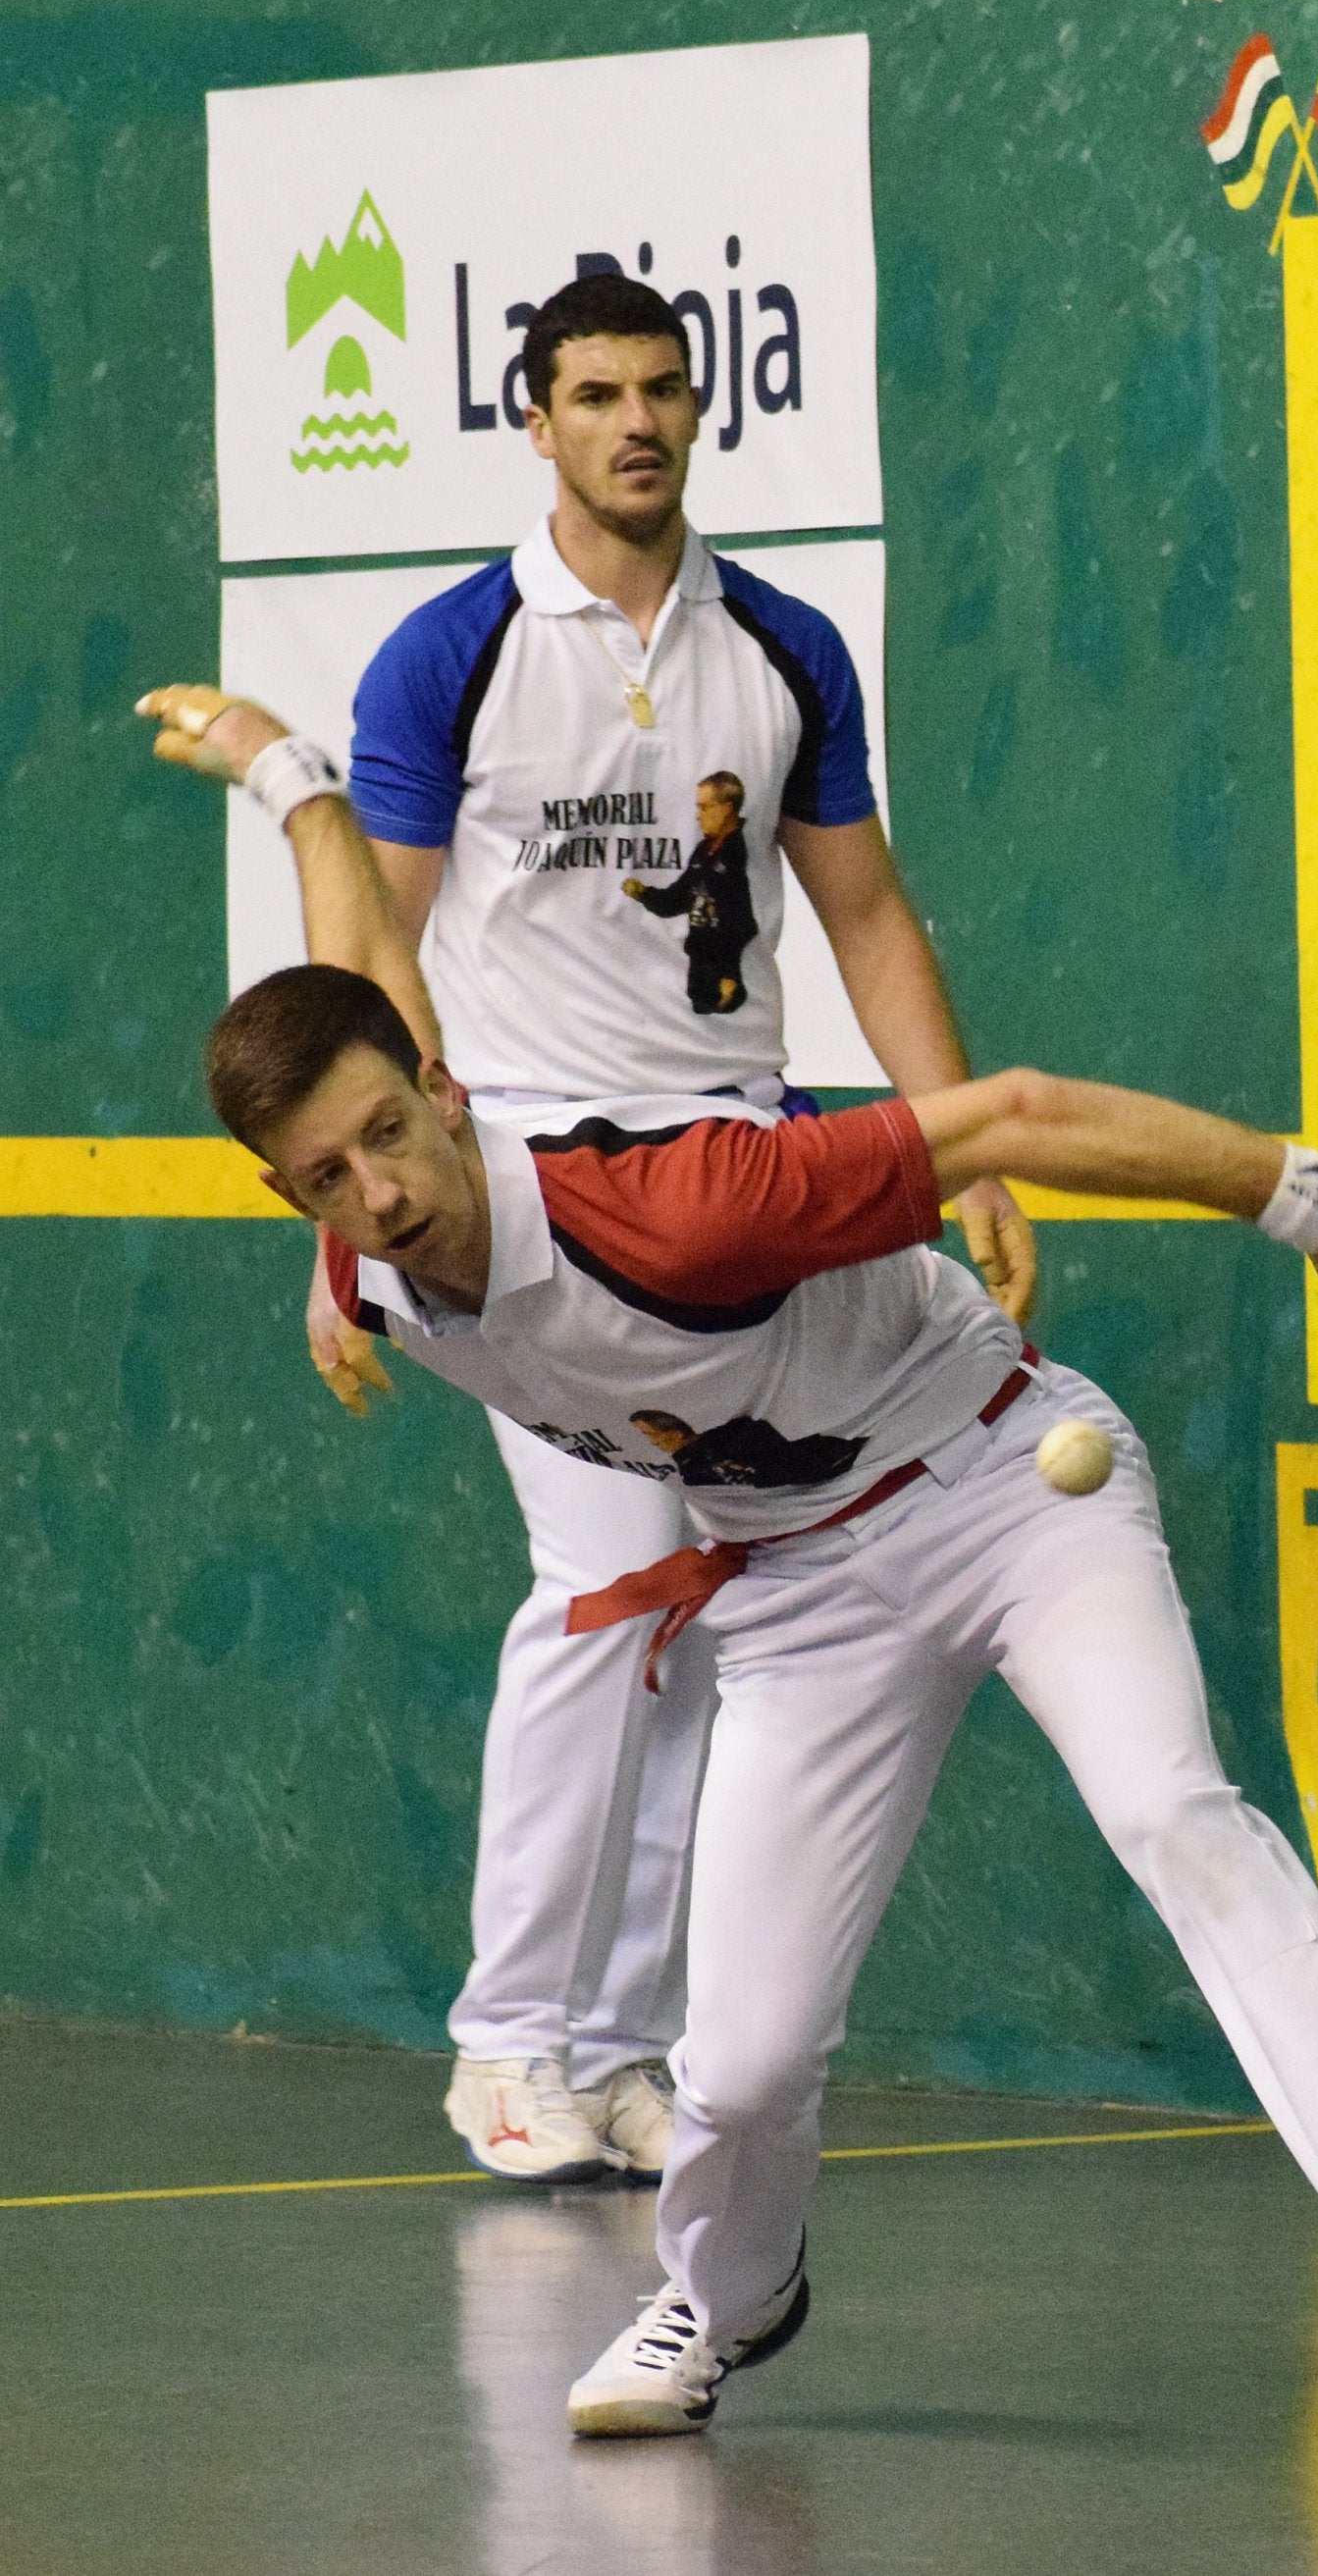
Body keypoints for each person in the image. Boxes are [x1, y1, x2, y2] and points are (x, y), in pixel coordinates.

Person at [140, 683, 1318, 2437]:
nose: (376, 1194)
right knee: (738, 2063)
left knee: (1172, 1808)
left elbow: (1016, 1112)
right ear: (291, 1199)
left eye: (389, 1140)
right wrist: (292, 788)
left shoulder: (685, 1202)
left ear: (447, 1094)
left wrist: (1316, 1206)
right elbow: (362, 965)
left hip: (1010, 1486)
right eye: (323, 1182)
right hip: (803, 1586)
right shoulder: (369, 1257)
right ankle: (724, 2301)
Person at [306, 273, 1036, 2182]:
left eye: (663, 390)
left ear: (699, 411)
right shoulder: (448, 657)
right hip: (528, 1207)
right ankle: (508, 2037)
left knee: (704, 1605)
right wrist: (354, 1234)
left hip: (733, 1196)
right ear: (533, 420)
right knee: (615, 1579)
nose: (637, 420)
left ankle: (618, 2043)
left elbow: (867, 918)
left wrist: (967, 1158)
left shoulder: (782, 646)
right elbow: (368, 965)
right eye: (596, 392)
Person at [621, 771, 759, 1016]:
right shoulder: (703, 852)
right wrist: (644, 894)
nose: (698, 816)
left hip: (724, 961)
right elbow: (678, 898)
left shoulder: (734, 856)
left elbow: (737, 918)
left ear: (726, 809)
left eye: (705, 808)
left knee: (723, 1007)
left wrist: (728, 970)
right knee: (700, 1003)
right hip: (700, 954)